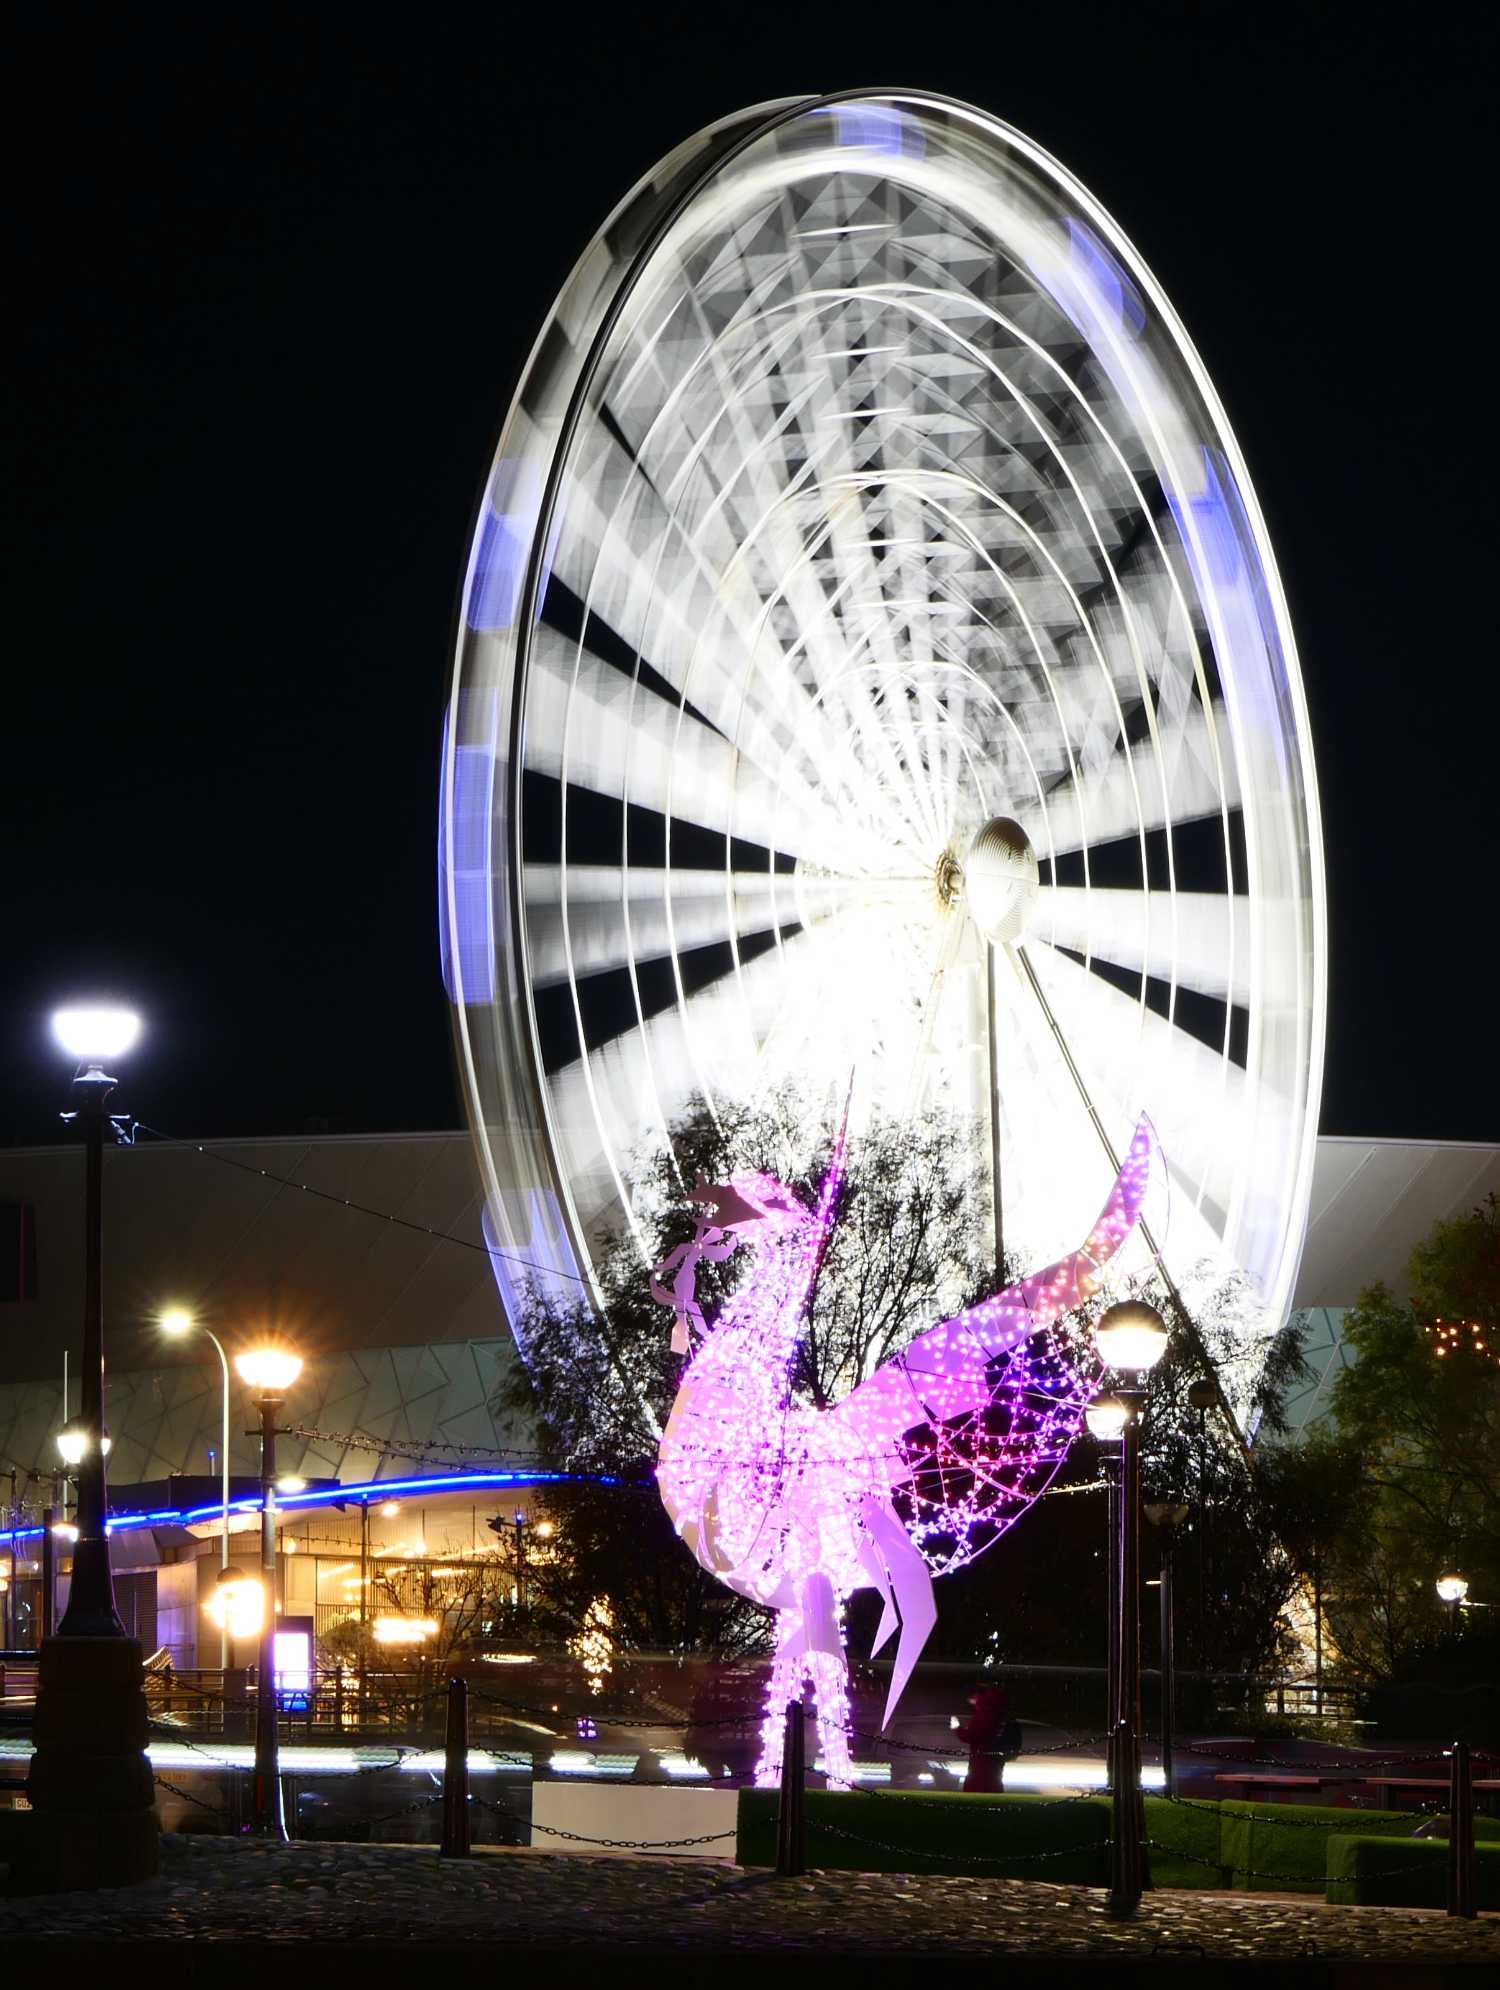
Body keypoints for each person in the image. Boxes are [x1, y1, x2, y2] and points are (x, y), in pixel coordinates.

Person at [953, 1680, 1021, 1792]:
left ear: (976, 1696)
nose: (970, 1702)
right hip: (997, 1756)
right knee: (994, 1779)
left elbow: (972, 1735)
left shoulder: (984, 1712)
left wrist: (957, 1728)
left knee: (978, 1783)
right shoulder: (1000, 1709)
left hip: (982, 1757)